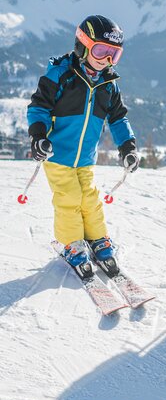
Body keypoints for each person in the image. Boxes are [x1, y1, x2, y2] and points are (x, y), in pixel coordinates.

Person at [27, 15, 140, 276]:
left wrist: (128, 147)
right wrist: (38, 136)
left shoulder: (108, 84)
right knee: (69, 198)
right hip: (57, 154)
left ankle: (98, 238)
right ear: (83, 45)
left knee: (90, 199)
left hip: (86, 158)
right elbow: (39, 108)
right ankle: (72, 244)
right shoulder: (61, 75)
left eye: (114, 54)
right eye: (101, 50)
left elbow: (118, 118)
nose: (106, 60)